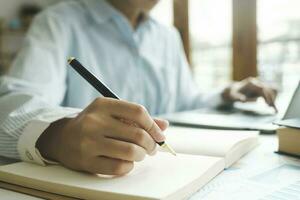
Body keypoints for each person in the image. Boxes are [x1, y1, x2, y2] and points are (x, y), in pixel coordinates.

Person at [0, 0, 276, 175]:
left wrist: (227, 93)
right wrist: (57, 135)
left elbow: (184, 101)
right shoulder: (57, 21)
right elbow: (12, 103)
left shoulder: (167, 36)